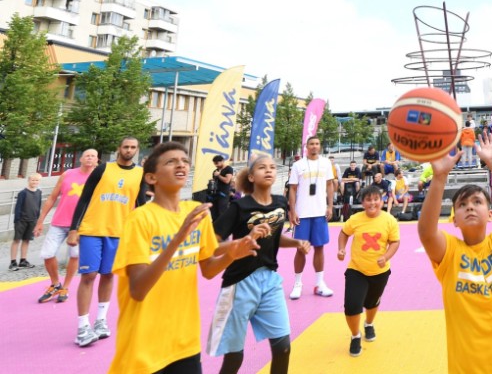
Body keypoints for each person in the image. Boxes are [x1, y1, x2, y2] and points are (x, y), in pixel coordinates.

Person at [108, 142, 259, 374]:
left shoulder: (195, 211)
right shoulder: (139, 219)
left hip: (185, 344)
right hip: (143, 348)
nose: (181, 164)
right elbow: (137, 289)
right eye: (171, 161)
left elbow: (208, 269)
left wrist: (231, 254)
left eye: (184, 161)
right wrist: (177, 239)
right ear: (151, 177)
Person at [418, 133, 492, 374]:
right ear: (455, 221)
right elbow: (427, 233)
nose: (469, 206)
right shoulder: (450, 254)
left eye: (477, 202)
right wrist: (439, 178)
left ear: (491, 214)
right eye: (462, 205)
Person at [207, 153, 311, 374]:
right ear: (251, 176)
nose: (269, 170)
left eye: (272, 167)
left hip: (270, 281)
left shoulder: (281, 203)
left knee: (283, 347)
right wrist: (245, 240)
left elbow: (274, 237)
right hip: (239, 283)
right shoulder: (239, 207)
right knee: (235, 357)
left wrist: (296, 242)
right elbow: (212, 245)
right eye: (262, 167)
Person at [67, 136, 145, 347]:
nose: (129, 150)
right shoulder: (103, 169)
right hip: (93, 228)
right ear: (119, 148)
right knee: (89, 274)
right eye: (126, 146)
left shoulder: (140, 174)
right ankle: (83, 327)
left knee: (109, 274)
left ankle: (101, 321)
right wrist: (74, 228)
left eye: (133, 147)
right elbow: (84, 198)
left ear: (137, 150)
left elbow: (142, 206)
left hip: (120, 233)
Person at [337, 185, 401, 357]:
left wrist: (386, 256)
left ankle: (369, 324)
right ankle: (355, 335)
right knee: (352, 306)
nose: (372, 203)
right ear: (363, 202)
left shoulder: (389, 220)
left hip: (380, 272)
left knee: (371, 303)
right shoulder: (355, 219)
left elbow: (395, 242)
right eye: (368, 199)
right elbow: (343, 233)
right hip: (356, 269)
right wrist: (341, 249)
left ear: (382, 201)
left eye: (376, 199)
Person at [33, 149, 99, 303]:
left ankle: (66, 287)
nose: (90, 158)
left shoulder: (99, 178)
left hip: (80, 225)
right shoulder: (67, 174)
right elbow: (52, 197)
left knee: (74, 255)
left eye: (93, 156)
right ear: (81, 159)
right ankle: (56, 283)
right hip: (59, 222)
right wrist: (40, 220)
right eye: (87, 156)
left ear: (97, 160)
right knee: (47, 254)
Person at [286, 136, 337, 300]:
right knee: (301, 248)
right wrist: (292, 211)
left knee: (319, 247)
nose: (314, 146)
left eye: (317, 143)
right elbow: (292, 189)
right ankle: (298, 283)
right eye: (311, 144)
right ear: (306, 146)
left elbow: (330, 185)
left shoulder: (326, 163)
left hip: (320, 212)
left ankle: (319, 283)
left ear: (320, 146)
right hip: (303, 213)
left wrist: (330, 206)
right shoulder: (298, 165)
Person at [10, 173, 43, 271]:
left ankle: (23, 260)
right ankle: (13, 262)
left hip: (32, 220)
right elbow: (18, 207)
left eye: (37, 180)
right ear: (29, 181)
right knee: (17, 240)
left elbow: (38, 206)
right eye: (33, 180)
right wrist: (17, 220)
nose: (34, 182)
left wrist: (37, 220)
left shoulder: (39, 192)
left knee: (27, 240)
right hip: (21, 220)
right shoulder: (23, 193)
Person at [212, 155, 235, 221]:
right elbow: (214, 181)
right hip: (215, 193)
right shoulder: (215, 171)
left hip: (224, 194)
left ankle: (223, 228)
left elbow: (227, 180)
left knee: (222, 211)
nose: (216, 165)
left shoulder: (228, 169)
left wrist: (218, 175)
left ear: (222, 161)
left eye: (217, 163)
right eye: (215, 164)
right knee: (214, 212)